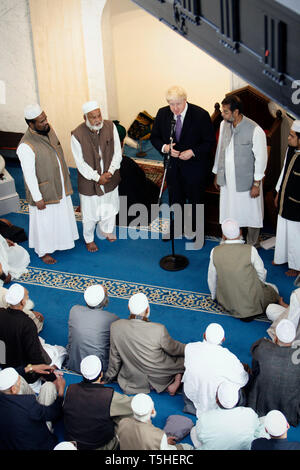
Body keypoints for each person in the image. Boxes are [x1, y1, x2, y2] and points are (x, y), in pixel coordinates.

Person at [16, 104, 78, 264]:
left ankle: (62, 241)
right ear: (31, 124)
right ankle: (43, 251)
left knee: (60, 215)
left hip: (59, 184)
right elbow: (29, 175)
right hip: (43, 190)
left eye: (45, 118)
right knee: (44, 222)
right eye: (41, 121)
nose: (46, 122)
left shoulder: (48, 130)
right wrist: (37, 198)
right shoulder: (25, 146)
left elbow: (58, 151)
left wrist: (65, 172)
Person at [150, 85, 215, 238]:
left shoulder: (200, 115)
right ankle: (176, 227)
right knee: (175, 199)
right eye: (171, 104)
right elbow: (155, 137)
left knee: (195, 202)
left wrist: (192, 152)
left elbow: (209, 142)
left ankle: (197, 233)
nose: (175, 108)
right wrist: (166, 148)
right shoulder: (163, 113)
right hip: (173, 166)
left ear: (185, 100)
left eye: (178, 104)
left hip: (195, 167)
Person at [213, 95, 268, 246]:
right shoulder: (224, 125)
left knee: (251, 212)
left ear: (236, 112)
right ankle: (230, 239)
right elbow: (220, 150)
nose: (222, 115)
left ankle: (252, 243)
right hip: (228, 180)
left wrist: (256, 183)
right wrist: (217, 173)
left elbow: (261, 159)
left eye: (225, 112)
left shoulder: (255, 130)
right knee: (229, 209)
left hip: (248, 181)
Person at [104, 292, 185, 395]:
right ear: (147, 309)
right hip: (159, 376)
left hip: (132, 380)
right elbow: (174, 349)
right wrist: (189, 348)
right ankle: (176, 379)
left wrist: (108, 377)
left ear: (129, 308)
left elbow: (115, 358)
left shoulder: (116, 326)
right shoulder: (159, 329)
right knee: (186, 360)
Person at [207, 218, 285, 321]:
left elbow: (211, 278)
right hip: (252, 303)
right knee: (274, 288)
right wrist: (259, 288)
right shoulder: (250, 249)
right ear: (240, 232)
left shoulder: (215, 251)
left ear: (224, 235)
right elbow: (262, 272)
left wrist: (214, 296)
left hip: (229, 302)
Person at [71, 101, 122, 252]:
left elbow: (118, 152)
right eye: (93, 117)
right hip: (89, 181)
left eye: (99, 115)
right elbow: (80, 163)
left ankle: (106, 229)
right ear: (85, 117)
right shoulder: (77, 134)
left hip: (109, 176)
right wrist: (96, 177)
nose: (97, 119)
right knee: (90, 213)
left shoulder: (110, 126)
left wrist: (111, 172)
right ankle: (89, 239)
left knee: (110, 206)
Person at [63, 355, 133, 450]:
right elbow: (133, 407)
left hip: (73, 444)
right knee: (125, 421)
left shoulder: (69, 389)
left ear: (83, 374)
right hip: (100, 446)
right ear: (101, 374)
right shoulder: (109, 396)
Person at [182, 323, 249, 418]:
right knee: (237, 387)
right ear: (223, 339)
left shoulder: (190, 347)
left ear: (204, 335)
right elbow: (243, 380)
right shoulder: (228, 357)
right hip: (218, 402)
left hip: (193, 398)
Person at [0, 284, 66, 376]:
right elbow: (35, 357)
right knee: (61, 351)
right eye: (27, 296)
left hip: (5, 365)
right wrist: (49, 376)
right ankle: (52, 369)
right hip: (24, 370)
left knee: (40, 342)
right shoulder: (27, 324)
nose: (28, 298)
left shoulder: (1, 312)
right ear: (22, 302)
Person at [246, 319, 300, 427]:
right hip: (290, 410)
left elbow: (253, 352)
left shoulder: (263, 347)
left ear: (275, 337)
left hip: (261, 405)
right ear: (294, 338)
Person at [190, 381, 268, 450]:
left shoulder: (205, 418)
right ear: (239, 398)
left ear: (217, 400)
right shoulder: (249, 413)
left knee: (194, 431)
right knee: (264, 421)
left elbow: (200, 436)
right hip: (246, 447)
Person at [0, 366, 65, 450]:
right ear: (13, 388)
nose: (20, 382)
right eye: (18, 383)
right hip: (35, 441)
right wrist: (61, 392)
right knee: (49, 386)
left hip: (11, 440)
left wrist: (31, 368)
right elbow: (54, 413)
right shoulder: (28, 405)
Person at [65, 284, 119, 373]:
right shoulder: (112, 319)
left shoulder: (74, 310)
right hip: (98, 369)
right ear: (104, 300)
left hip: (74, 363)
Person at [118, 393, 192, 450]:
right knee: (188, 447)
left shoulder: (122, 422)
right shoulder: (158, 435)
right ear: (153, 411)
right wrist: (164, 443)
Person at [273, 120, 300, 277]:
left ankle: (297, 266)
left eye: (292, 136)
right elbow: (284, 171)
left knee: (296, 234)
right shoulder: (292, 149)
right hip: (285, 199)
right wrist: (278, 192)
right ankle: (281, 256)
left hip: (297, 205)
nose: (288, 138)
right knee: (283, 228)